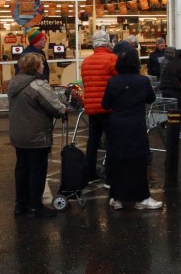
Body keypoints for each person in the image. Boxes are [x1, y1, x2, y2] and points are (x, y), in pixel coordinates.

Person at [101, 45, 163, 210]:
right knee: (138, 163)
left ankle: (117, 197)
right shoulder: (143, 80)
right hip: (136, 125)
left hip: (117, 125)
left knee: (118, 161)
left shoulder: (113, 81)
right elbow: (151, 98)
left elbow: (105, 104)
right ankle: (142, 197)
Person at [8, 52, 68, 218]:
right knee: (37, 170)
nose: (43, 66)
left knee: (21, 169)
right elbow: (56, 108)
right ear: (35, 67)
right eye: (41, 64)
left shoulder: (14, 82)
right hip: (36, 135)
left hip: (18, 135)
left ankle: (20, 206)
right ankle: (35, 207)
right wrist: (64, 107)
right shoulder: (38, 85)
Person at [80, 30, 117, 182]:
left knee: (93, 142)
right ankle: (110, 174)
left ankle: (90, 174)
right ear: (107, 42)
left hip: (92, 108)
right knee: (112, 142)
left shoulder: (86, 62)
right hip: (108, 108)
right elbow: (117, 82)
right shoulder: (112, 59)